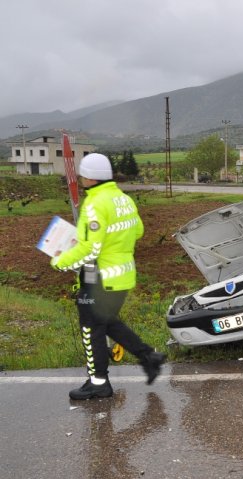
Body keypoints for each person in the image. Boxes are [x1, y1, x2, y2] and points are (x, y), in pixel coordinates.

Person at [50, 153, 166, 400]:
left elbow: (90, 249)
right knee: (107, 322)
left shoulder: (94, 204)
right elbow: (138, 232)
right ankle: (149, 357)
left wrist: (60, 262)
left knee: (91, 329)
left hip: (99, 279)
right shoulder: (123, 199)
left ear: (88, 177)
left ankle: (99, 383)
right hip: (122, 277)